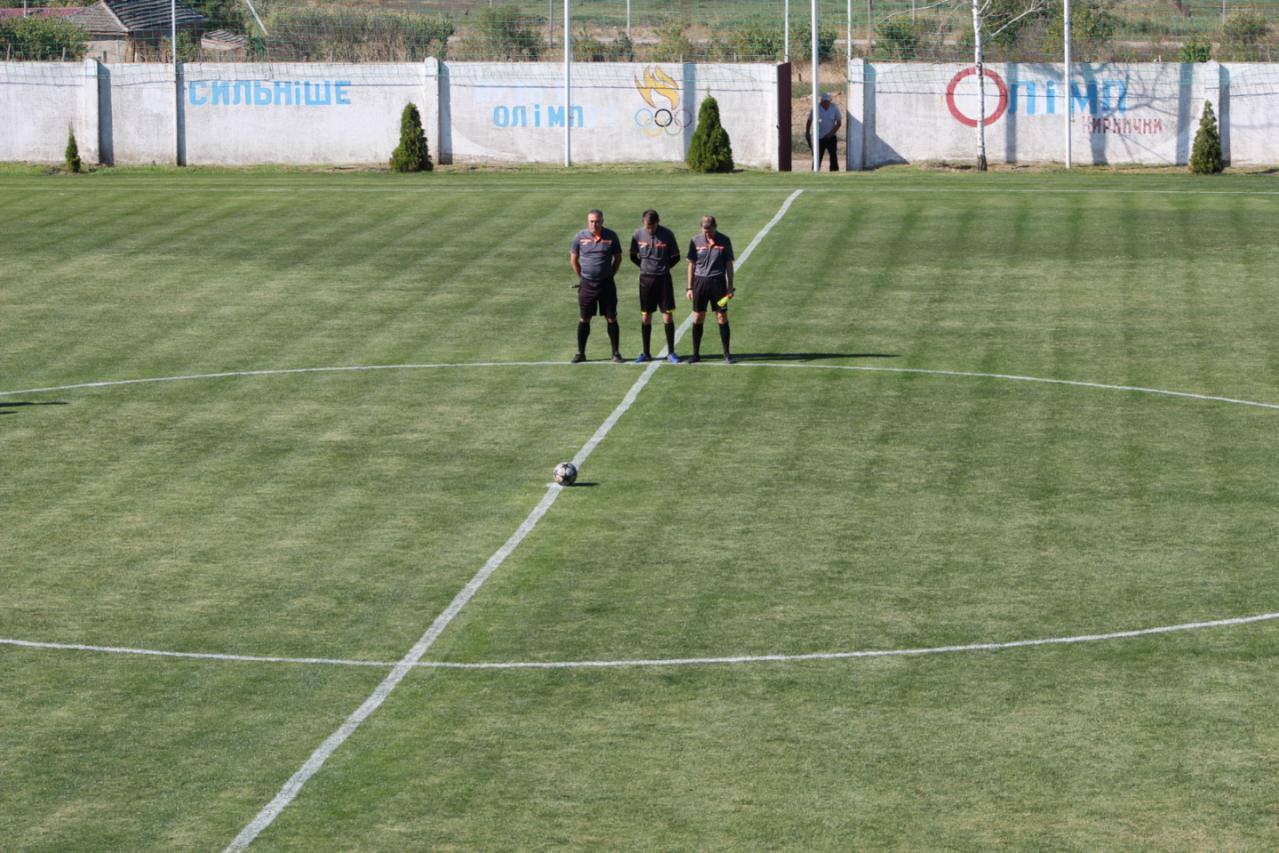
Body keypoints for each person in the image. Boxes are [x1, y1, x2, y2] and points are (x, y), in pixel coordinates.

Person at [569, 209, 624, 363]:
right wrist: (582, 276)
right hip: (587, 285)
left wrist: (610, 274)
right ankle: (581, 353)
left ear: (602, 221)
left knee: (611, 317)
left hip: (606, 284)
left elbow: (618, 258)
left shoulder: (611, 236)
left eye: (597, 221)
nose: (594, 224)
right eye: (592, 221)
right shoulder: (579, 237)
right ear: (588, 222)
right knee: (584, 318)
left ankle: (616, 353)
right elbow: (573, 259)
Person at [628, 209, 683, 364]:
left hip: (663, 279)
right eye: (647, 226)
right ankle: (646, 352)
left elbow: (676, 256)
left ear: (658, 222)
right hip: (645, 280)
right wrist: (643, 267)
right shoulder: (637, 234)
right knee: (646, 316)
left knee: (667, 315)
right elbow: (633, 255)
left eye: (652, 226)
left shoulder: (667, 234)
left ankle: (671, 352)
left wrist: (664, 268)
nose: (650, 229)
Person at [685, 214, 735, 364]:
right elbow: (691, 265)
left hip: (718, 284)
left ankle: (726, 354)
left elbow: (729, 265)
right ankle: (695, 354)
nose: (707, 234)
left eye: (710, 231)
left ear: (715, 227)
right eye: (704, 231)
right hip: (699, 283)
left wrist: (730, 287)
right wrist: (689, 287)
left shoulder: (724, 240)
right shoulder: (695, 240)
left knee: (722, 316)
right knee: (698, 317)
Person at [805, 93, 843, 172]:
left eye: (827, 102)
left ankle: (834, 172)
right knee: (817, 156)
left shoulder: (834, 108)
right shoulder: (816, 108)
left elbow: (839, 123)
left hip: (831, 137)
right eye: (824, 102)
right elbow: (809, 121)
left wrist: (830, 134)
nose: (826, 103)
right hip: (819, 137)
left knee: (833, 156)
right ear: (821, 101)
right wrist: (807, 132)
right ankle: (815, 171)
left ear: (830, 101)